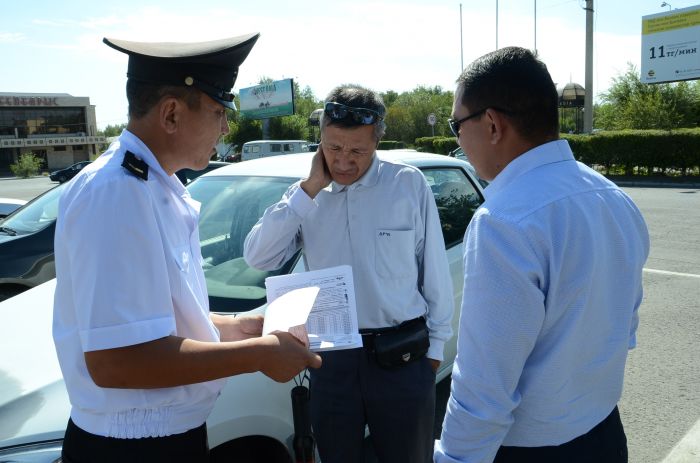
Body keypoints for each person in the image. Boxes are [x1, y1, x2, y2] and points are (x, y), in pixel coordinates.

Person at [52, 33, 321, 463]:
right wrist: (258, 355)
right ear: (172, 114)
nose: (226, 128)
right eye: (218, 112)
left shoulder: (153, 188)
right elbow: (116, 361)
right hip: (132, 449)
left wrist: (239, 327)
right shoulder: (118, 194)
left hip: (161, 439)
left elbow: (156, 319)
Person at [434, 47, 649, 463]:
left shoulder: (503, 221)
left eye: (456, 124)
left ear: (492, 124)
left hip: (534, 450)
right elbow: (625, 324)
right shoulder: (613, 196)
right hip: (605, 434)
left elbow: (484, 386)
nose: (456, 138)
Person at [244, 84, 453, 463]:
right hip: (332, 360)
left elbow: (434, 272)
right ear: (320, 140)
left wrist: (433, 355)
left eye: (357, 150)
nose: (343, 161)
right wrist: (308, 189)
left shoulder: (406, 184)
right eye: (333, 148)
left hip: (401, 357)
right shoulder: (305, 197)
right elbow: (259, 256)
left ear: (377, 142)